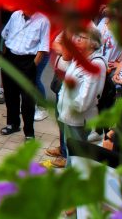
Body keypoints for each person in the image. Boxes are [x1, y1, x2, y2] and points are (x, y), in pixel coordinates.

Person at [52, 26, 107, 168]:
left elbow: (85, 99)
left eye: (81, 38)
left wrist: (68, 109)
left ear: (93, 42)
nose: (76, 40)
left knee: (77, 159)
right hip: (68, 117)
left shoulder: (96, 64)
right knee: (71, 155)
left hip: (78, 121)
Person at [0, 6, 50, 140]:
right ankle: (12, 124)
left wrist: (33, 65)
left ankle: (29, 132)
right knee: (10, 95)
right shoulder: (16, 15)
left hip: (28, 61)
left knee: (27, 99)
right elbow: (5, 35)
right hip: (10, 57)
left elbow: (43, 47)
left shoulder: (43, 21)